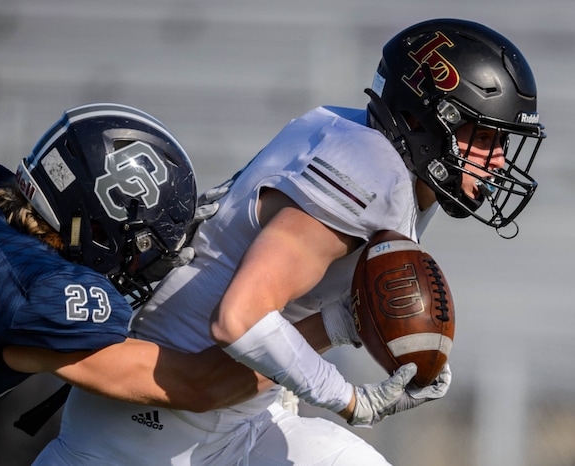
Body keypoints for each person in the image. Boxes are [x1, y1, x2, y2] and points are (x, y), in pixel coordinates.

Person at [33, 18, 546, 465]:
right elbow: (241, 318)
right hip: (142, 443)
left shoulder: (355, 139)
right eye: (485, 137)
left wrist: (342, 320)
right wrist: (348, 399)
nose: (498, 160)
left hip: (227, 422)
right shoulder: (372, 172)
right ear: (427, 123)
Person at [0, 102, 301, 458]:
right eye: (141, 246)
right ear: (96, 226)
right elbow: (196, 385)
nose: (140, 262)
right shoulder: (39, 294)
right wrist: (326, 329)